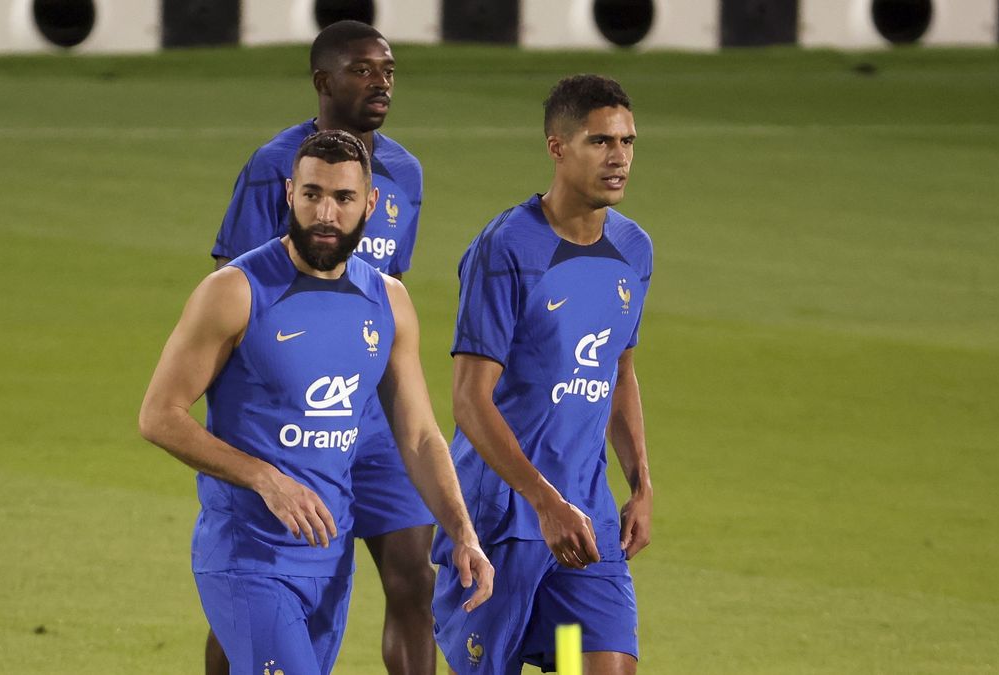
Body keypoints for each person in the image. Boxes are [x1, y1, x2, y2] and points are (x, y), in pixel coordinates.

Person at [139, 130, 493, 675]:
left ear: (370, 205)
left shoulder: (388, 302)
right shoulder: (235, 291)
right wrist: (264, 477)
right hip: (247, 557)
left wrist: (462, 532)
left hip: (329, 562)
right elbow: (159, 415)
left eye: (344, 198)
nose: (325, 212)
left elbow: (420, 436)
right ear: (289, 193)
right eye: (312, 194)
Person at [208, 20, 434, 674]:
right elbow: (233, 289)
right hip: (288, 415)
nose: (381, 82)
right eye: (363, 69)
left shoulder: (405, 174)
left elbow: (388, 290)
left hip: (372, 415)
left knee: (414, 576)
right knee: (257, 588)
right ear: (323, 81)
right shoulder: (273, 169)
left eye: (388, 69)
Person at [431, 75, 654, 674]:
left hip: (587, 515)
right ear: (557, 147)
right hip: (503, 516)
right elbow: (470, 400)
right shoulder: (505, 248)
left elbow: (618, 369)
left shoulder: (634, 251)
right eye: (601, 142)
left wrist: (641, 484)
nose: (620, 158)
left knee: (603, 667)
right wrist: (543, 502)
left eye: (628, 142)